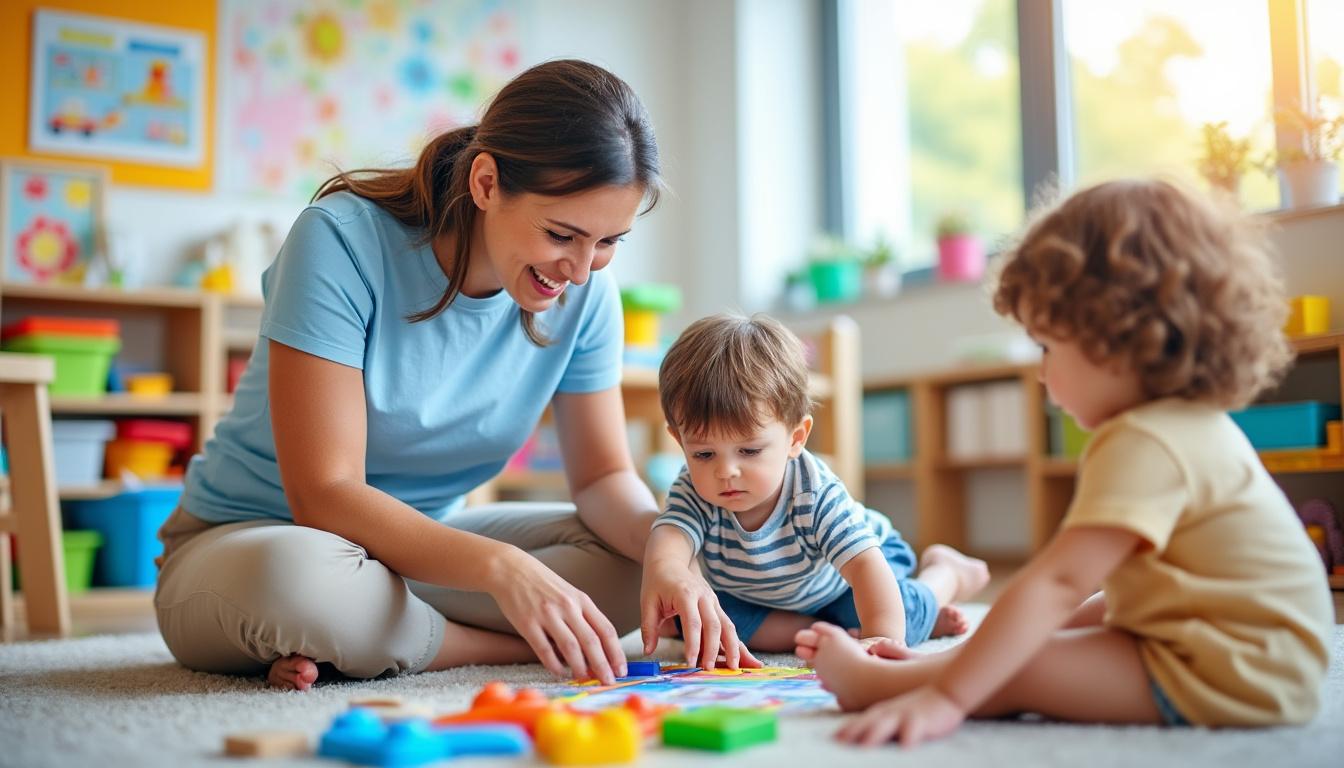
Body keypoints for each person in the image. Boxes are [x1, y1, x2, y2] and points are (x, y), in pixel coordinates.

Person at [154, 59, 671, 691]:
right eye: (562, 234)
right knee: (298, 582)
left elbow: (603, 479)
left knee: (632, 561)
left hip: (425, 553)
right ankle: (472, 645)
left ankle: (376, 636)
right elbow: (325, 493)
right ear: (486, 183)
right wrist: (502, 570)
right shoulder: (340, 241)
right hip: (260, 539)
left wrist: (671, 553)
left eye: (609, 241)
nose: (582, 271)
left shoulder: (588, 296)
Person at [796, 179, 1335, 747]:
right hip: (1250, 651)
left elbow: (1054, 582)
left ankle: (884, 686)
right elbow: (1106, 599)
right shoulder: (1184, 422)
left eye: (1048, 347)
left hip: (1233, 672)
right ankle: (923, 670)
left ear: (1117, 336)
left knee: (1030, 664)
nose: (1041, 372)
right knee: (1082, 619)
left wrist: (945, 698)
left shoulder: (1144, 441)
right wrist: (966, 656)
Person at [639, 313, 989, 671]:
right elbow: (671, 534)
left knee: (896, 620)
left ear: (795, 438)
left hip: (849, 576)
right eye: (703, 454)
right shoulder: (692, 489)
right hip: (768, 596)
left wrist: (880, 639)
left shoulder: (813, 493)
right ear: (679, 441)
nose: (725, 471)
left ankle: (948, 573)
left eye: (749, 451)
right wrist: (665, 570)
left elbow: (866, 567)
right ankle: (823, 630)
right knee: (703, 618)